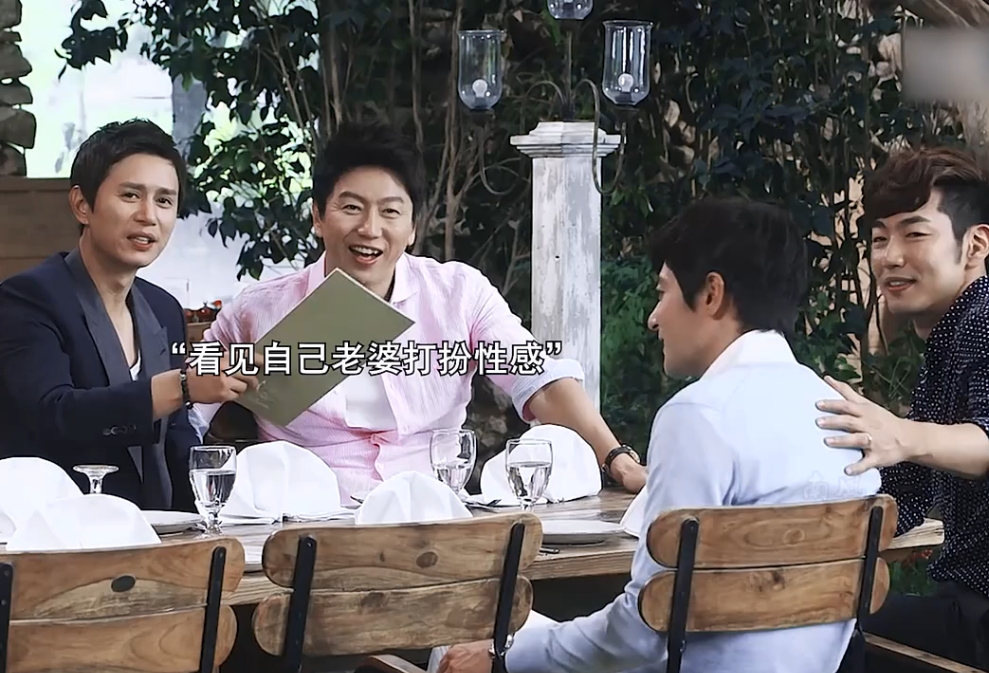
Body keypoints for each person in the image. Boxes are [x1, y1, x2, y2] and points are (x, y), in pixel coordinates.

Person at [436, 197, 881, 673]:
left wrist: (504, 656)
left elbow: (643, 630)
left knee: (462, 638)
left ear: (711, 294)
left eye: (663, 291)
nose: (653, 317)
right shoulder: (841, 413)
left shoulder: (699, 416)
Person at [191, 122, 647, 501]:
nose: (370, 229)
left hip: (432, 516)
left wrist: (616, 458)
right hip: (306, 521)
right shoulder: (256, 311)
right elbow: (187, 412)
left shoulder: (457, 294)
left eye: (390, 212)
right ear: (317, 216)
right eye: (351, 208)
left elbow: (538, 379)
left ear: (412, 228)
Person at [818, 147, 989, 673]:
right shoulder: (950, 338)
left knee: (810, 632)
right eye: (879, 238)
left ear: (975, 245)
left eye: (914, 234)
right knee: (809, 613)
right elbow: (903, 494)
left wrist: (903, 434)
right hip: (972, 615)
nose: (889, 256)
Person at [0, 119, 258, 511]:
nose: (148, 215)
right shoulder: (28, 299)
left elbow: (175, 435)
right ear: (82, 205)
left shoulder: (163, 308)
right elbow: (55, 414)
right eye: (131, 195)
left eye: (164, 201)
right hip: (59, 526)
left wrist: (221, 507)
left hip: (161, 530)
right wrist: (182, 387)